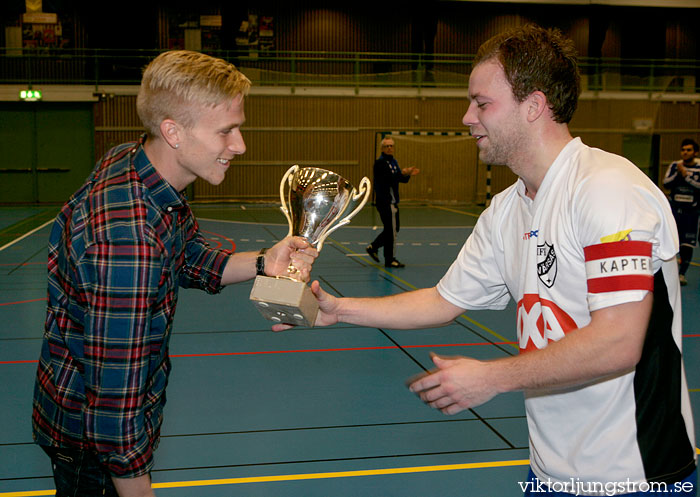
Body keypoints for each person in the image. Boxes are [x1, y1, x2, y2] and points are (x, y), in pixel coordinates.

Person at [304, 25, 697, 496]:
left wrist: (491, 377)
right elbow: (442, 301)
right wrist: (340, 309)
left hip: (635, 475)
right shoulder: (506, 209)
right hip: (549, 474)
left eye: (482, 103)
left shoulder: (606, 188)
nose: (467, 116)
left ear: (533, 106)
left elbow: (618, 341)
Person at [31, 50, 318, 497]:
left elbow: (187, 256)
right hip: (96, 448)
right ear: (173, 132)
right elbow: (116, 407)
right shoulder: (128, 239)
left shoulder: (134, 163)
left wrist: (265, 261)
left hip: (75, 416)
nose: (240, 145)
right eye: (226, 131)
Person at [365, 137, 420, 268]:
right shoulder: (380, 163)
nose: (389, 148)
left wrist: (407, 174)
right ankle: (390, 259)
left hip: (393, 201)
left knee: (393, 229)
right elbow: (388, 179)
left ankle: (374, 247)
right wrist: (403, 173)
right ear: (382, 149)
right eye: (387, 146)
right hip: (385, 202)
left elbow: (399, 178)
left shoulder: (393, 161)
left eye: (391, 146)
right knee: (392, 231)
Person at [663, 138, 700, 286]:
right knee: (670, 240)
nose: (685, 152)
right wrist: (679, 174)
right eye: (683, 150)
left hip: (692, 213)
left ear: (695, 152)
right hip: (675, 212)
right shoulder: (675, 166)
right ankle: (668, 273)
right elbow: (666, 184)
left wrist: (686, 176)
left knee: (687, 244)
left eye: (689, 150)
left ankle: (682, 273)